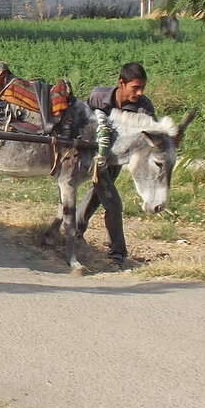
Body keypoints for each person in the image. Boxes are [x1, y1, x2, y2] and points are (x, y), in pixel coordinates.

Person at [77, 62, 156, 267]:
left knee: (98, 194)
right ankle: (117, 253)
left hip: (117, 159)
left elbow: (152, 135)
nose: (139, 92)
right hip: (95, 156)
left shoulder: (144, 108)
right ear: (122, 83)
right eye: (135, 87)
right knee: (113, 203)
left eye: (142, 88)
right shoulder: (98, 97)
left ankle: (75, 230)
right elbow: (84, 120)